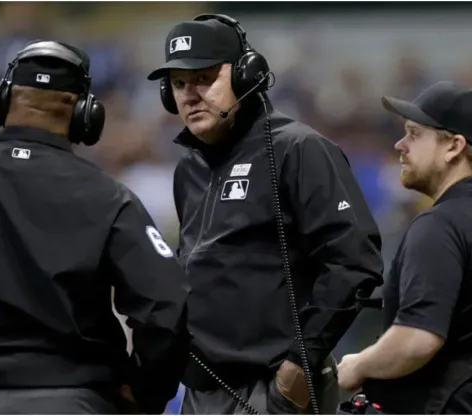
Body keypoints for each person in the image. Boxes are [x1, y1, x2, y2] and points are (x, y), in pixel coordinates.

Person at [0, 40, 191, 415]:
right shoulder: (108, 195)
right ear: (84, 114)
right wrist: (146, 392)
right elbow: (168, 305)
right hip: (73, 402)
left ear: (0, 101)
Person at [147, 14, 385, 415]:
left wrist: (298, 365)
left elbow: (354, 262)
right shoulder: (189, 168)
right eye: (178, 84)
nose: (189, 94)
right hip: (202, 391)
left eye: (205, 79)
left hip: (273, 387)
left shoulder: (298, 149)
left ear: (246, 76)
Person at [336, 81, 472, 414]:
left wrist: (358, 365)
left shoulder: (441, 225)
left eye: (415, 134)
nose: (400, 145)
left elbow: (418, 339)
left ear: (454, 146)